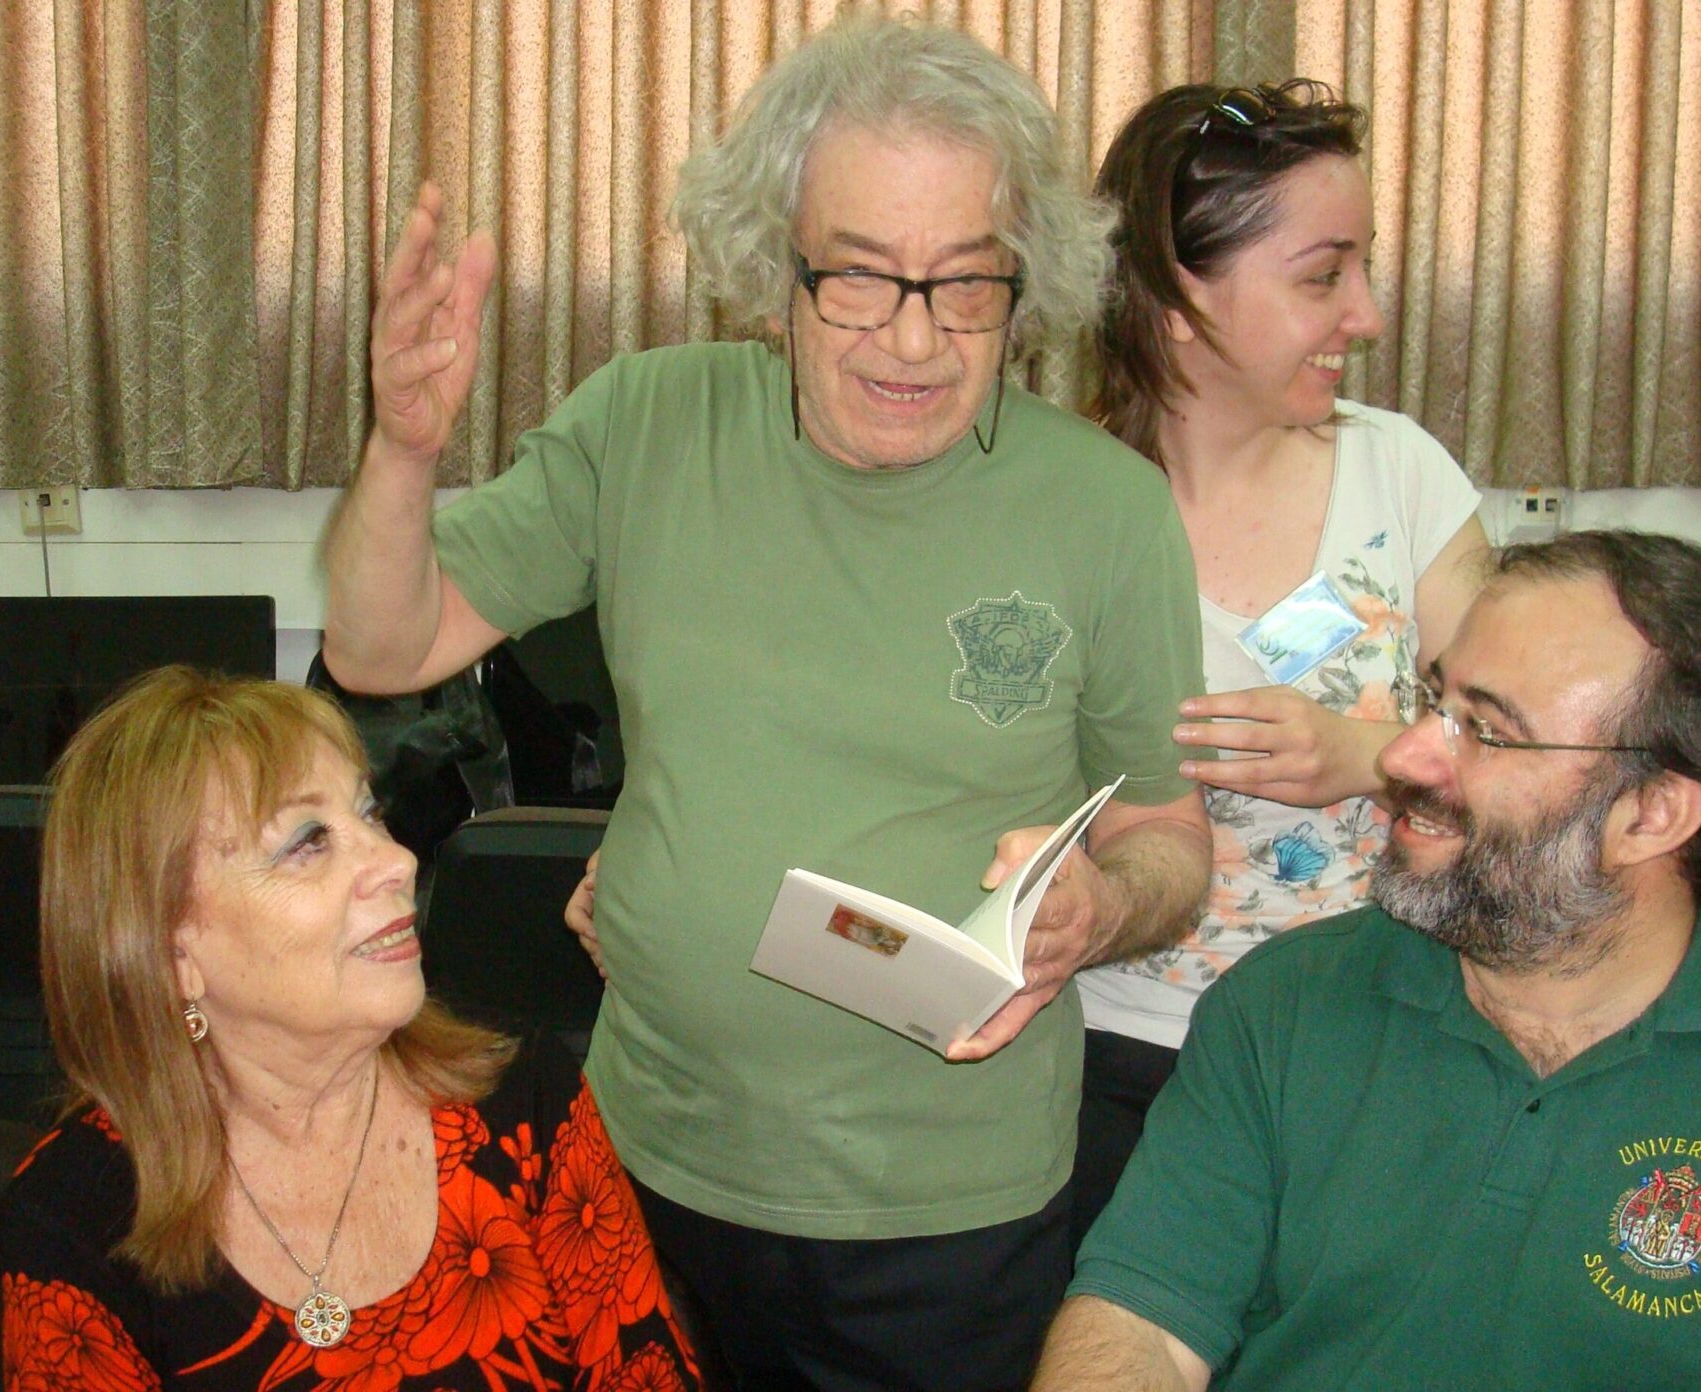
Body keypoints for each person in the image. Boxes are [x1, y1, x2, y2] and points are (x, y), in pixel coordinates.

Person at [321, 14, 1211, 1389]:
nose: (913, 338)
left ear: (1022, 282)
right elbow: (385, 645)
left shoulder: (1107, 511)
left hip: (945, 1215)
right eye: (858, 278)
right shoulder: (649, 427)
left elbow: (1170, 841)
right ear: (771, 268)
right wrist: (404, 447)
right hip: (645, 1157)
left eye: (966, 284)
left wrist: (1100, 909)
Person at [1032, 530, 1701, 1392]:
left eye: (1486, 729)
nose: (1404, 755)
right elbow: (1138, 1326)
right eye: (1433, 700)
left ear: (1652, 815)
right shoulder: (1285, 1004)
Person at [0, 667, 698, 1390]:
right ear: (172, 954)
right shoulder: (73, 1223)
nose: (397, 860)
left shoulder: (526, 1102)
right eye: (307, 841)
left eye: (369, 813)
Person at [1068, 80, 1490, 1242]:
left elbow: (1532, 748)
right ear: (1173, 301)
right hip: (1125, 1065)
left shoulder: (1400, 477)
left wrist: (1369, 756)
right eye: (1322, 276)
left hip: (1385, 1046)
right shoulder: (1059, 510)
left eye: (1360, 270)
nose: (1365, 315)